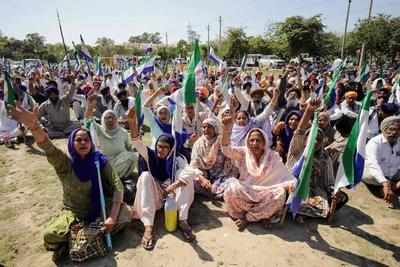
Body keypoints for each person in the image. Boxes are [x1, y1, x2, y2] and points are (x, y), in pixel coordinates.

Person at [9, 103, 130, 262]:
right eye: (78, 140)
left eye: (86, 140)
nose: (82, 143)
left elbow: (117, 185)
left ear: (91, 143)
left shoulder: (99, 161)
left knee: (126, 214)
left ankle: (82, 237)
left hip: (100, 208)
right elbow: (48, 147)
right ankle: (80, 236)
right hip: (73, 213)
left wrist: (112, 218)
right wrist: (35, 127)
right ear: (72, 143)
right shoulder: (64, 164)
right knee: (50, 236)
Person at [127, 108, 196, 250]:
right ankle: (148, 226)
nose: (161, 150)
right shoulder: (151, 154)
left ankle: (183, 220)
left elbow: (191, 172)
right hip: (157, 196)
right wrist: (131, 122)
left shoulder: (177, 158)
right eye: (159, 146)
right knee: (145, 176)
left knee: (183, 176)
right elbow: (136, 142)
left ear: (171, 149)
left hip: (173, 198)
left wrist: (173, 186)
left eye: (165, 147)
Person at [220, 112, 296, 230]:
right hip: (246, 190)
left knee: (280, 194)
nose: (254, 143)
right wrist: (226, 128)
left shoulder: (272, 156)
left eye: (258, 140)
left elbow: (285, 177)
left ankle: (249, 217)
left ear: (264, 142)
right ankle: (257, 214)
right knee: (231, 187)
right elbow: (226, 149)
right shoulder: (243, 152)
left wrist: (290, 186)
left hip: (265, 192)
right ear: (247, 142)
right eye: (251, 140)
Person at [286, 99, 348, 221]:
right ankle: (300, 212)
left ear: (322, 142)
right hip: (294, 186)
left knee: (342, 197)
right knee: (290, 195)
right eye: (311, 139)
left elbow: (329, 181)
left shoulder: (325, 158)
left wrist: (334, 192)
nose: (314, 142)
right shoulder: (298, 149)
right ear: (306, 140)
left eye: (318, 140)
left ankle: (304, 213)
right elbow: (299, 132)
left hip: (315, 191)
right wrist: (309, 110)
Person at [85, 94, 138, 204]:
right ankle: (112, 180)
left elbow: (130, 148)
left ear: (116, 119)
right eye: (106, 118)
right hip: (105, 166)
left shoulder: (123, 133)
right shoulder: (99, 130)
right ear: (103, 120)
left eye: (112, 117)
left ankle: (121, 178)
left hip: (121, 166)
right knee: (128, 156)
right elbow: (88, 120)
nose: (110, 120)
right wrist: (90, 107)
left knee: (133, 156)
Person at [188, 117, 239, 198]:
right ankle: (213, 192)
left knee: (233, 185)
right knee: (190, 181)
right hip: (204, 175)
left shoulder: (221, 140)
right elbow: (193, 165)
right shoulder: (198, 144)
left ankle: (213, 191)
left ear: (215, 128)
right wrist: (203, 179)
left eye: (209, 127)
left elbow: (229, 156)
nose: (206, 129)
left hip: (222, 175)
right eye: (204, 127)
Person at [363, 116, 400, 209]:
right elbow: (373, 164)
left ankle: (393, 187)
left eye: (398, 130)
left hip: (393, 175)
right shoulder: (374, 142)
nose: (394, 133)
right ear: (384, 129)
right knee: (369, 176)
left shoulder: (398, 141)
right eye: (391, 129)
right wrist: (385, 183)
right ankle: (387, 189)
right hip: (375, 176)